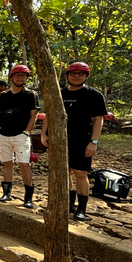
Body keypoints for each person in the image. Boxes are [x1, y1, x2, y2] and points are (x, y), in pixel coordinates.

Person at [41, 63, 107, 221]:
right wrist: (44, 134)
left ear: (86, 75)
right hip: (60, 138)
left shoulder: (94, 95)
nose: (76, 76)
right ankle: (68, 205)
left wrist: (94, 141)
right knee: (65, 171)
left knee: (80, 173)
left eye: (80, 73)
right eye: (73, 73)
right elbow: (49, 115)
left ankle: (82, 209)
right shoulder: (59, 93)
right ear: (67, 76)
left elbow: (98, 119)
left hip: (83, 139)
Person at [0, 65, 39, 207]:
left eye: (23, 75)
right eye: (17, 75)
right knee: (7, 163)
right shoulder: (4, 95)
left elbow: (34, 115)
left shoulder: (31, 95)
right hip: (4, 134)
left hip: (21, 134)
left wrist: (27, 132)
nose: (20, 78)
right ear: (12, 77)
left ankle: (28, 198)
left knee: (24, 164)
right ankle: (6, 193)